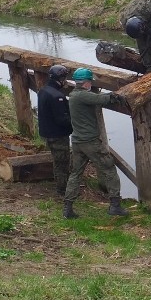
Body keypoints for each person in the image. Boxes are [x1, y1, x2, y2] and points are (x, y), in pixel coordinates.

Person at [62, 67, 128, 219]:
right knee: (109, 169)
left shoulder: (73, 95)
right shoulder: (82, 96)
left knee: (75, 174)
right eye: (90, 81)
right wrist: (115, 96)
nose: (91, 83)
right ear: (86, 82)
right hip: (90, 142)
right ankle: (115, 205)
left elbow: (95, 97)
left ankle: (68, 208)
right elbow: (100, 99)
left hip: (77, 142)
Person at [37, 64, 73, 197]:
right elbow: (62, 120)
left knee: (57, 161)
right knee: (62, 163)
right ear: (61, 79)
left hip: (46, 132)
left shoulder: (43, 91)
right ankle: (62, 190)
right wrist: (73, 126)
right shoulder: (58, 96)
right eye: (65, 78)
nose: (66, 81)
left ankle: (59, 186)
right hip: (57, 135)